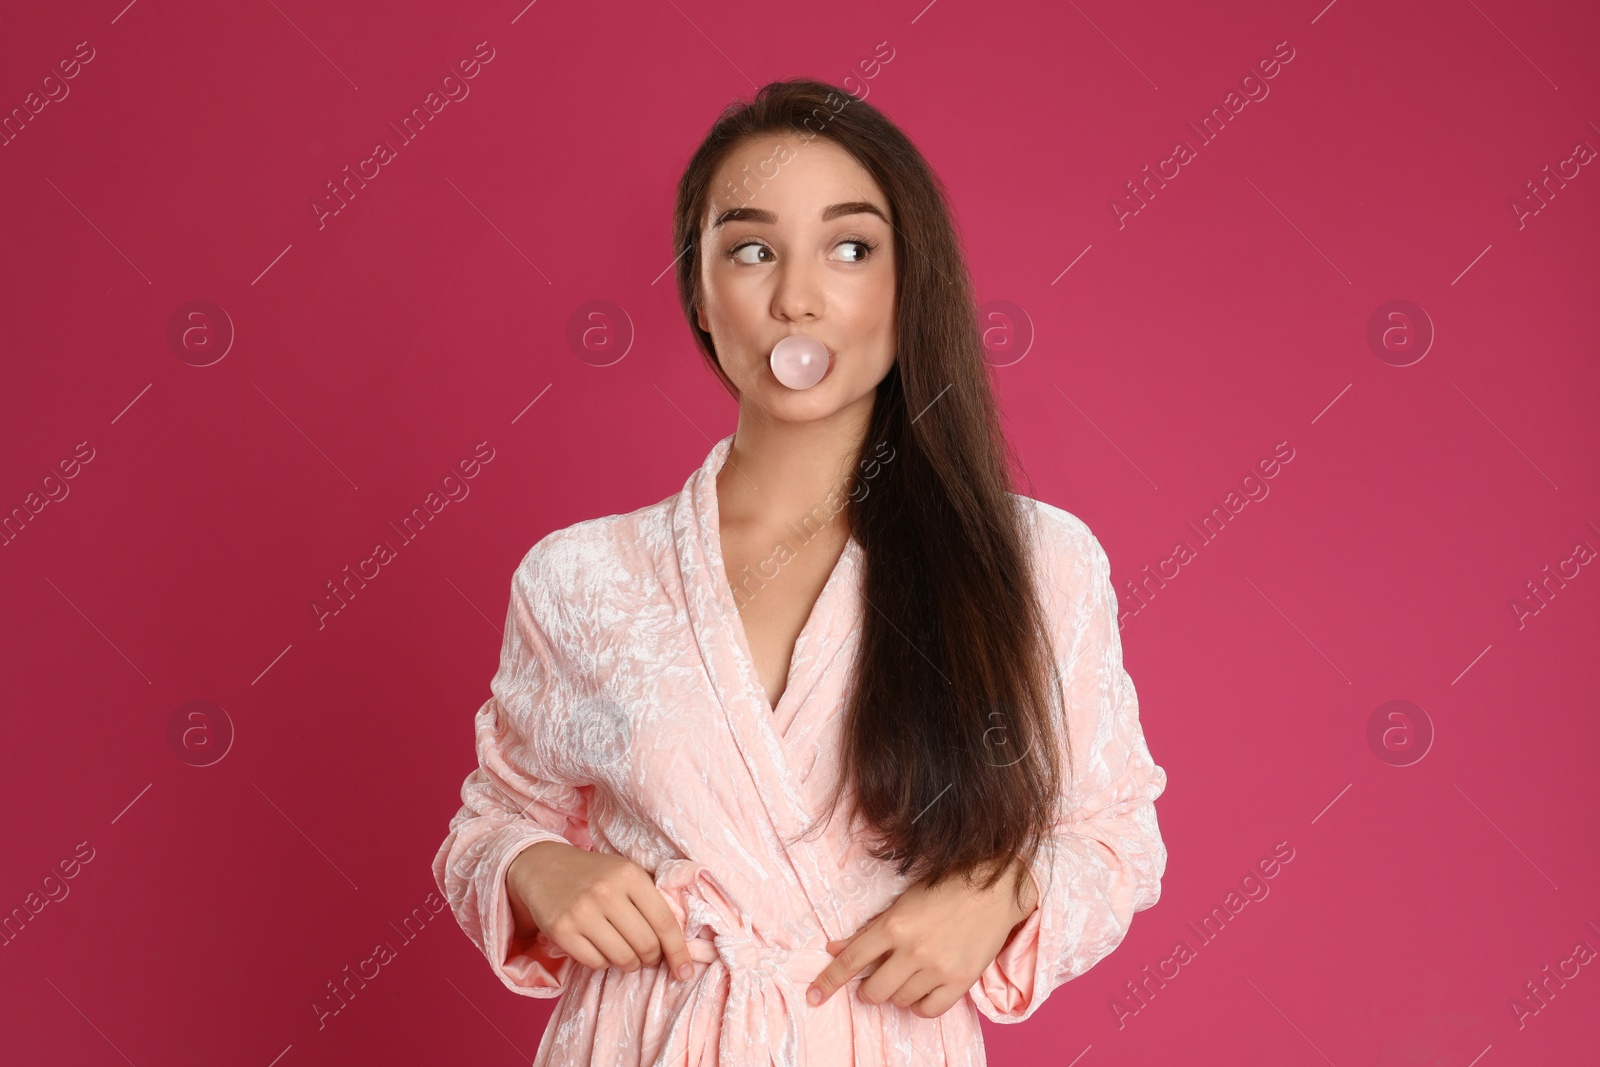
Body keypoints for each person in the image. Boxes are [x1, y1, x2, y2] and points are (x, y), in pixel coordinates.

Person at [432, 79, 1168, 1066]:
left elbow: (1115, 833)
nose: (797, 295)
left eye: (851, 247)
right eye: (750, 249)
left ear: (910, 283)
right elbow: (497, 815)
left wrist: (1006, 891)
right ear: (699, 289)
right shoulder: (580, 577)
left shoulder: (1033, 563)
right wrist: (534, 865)